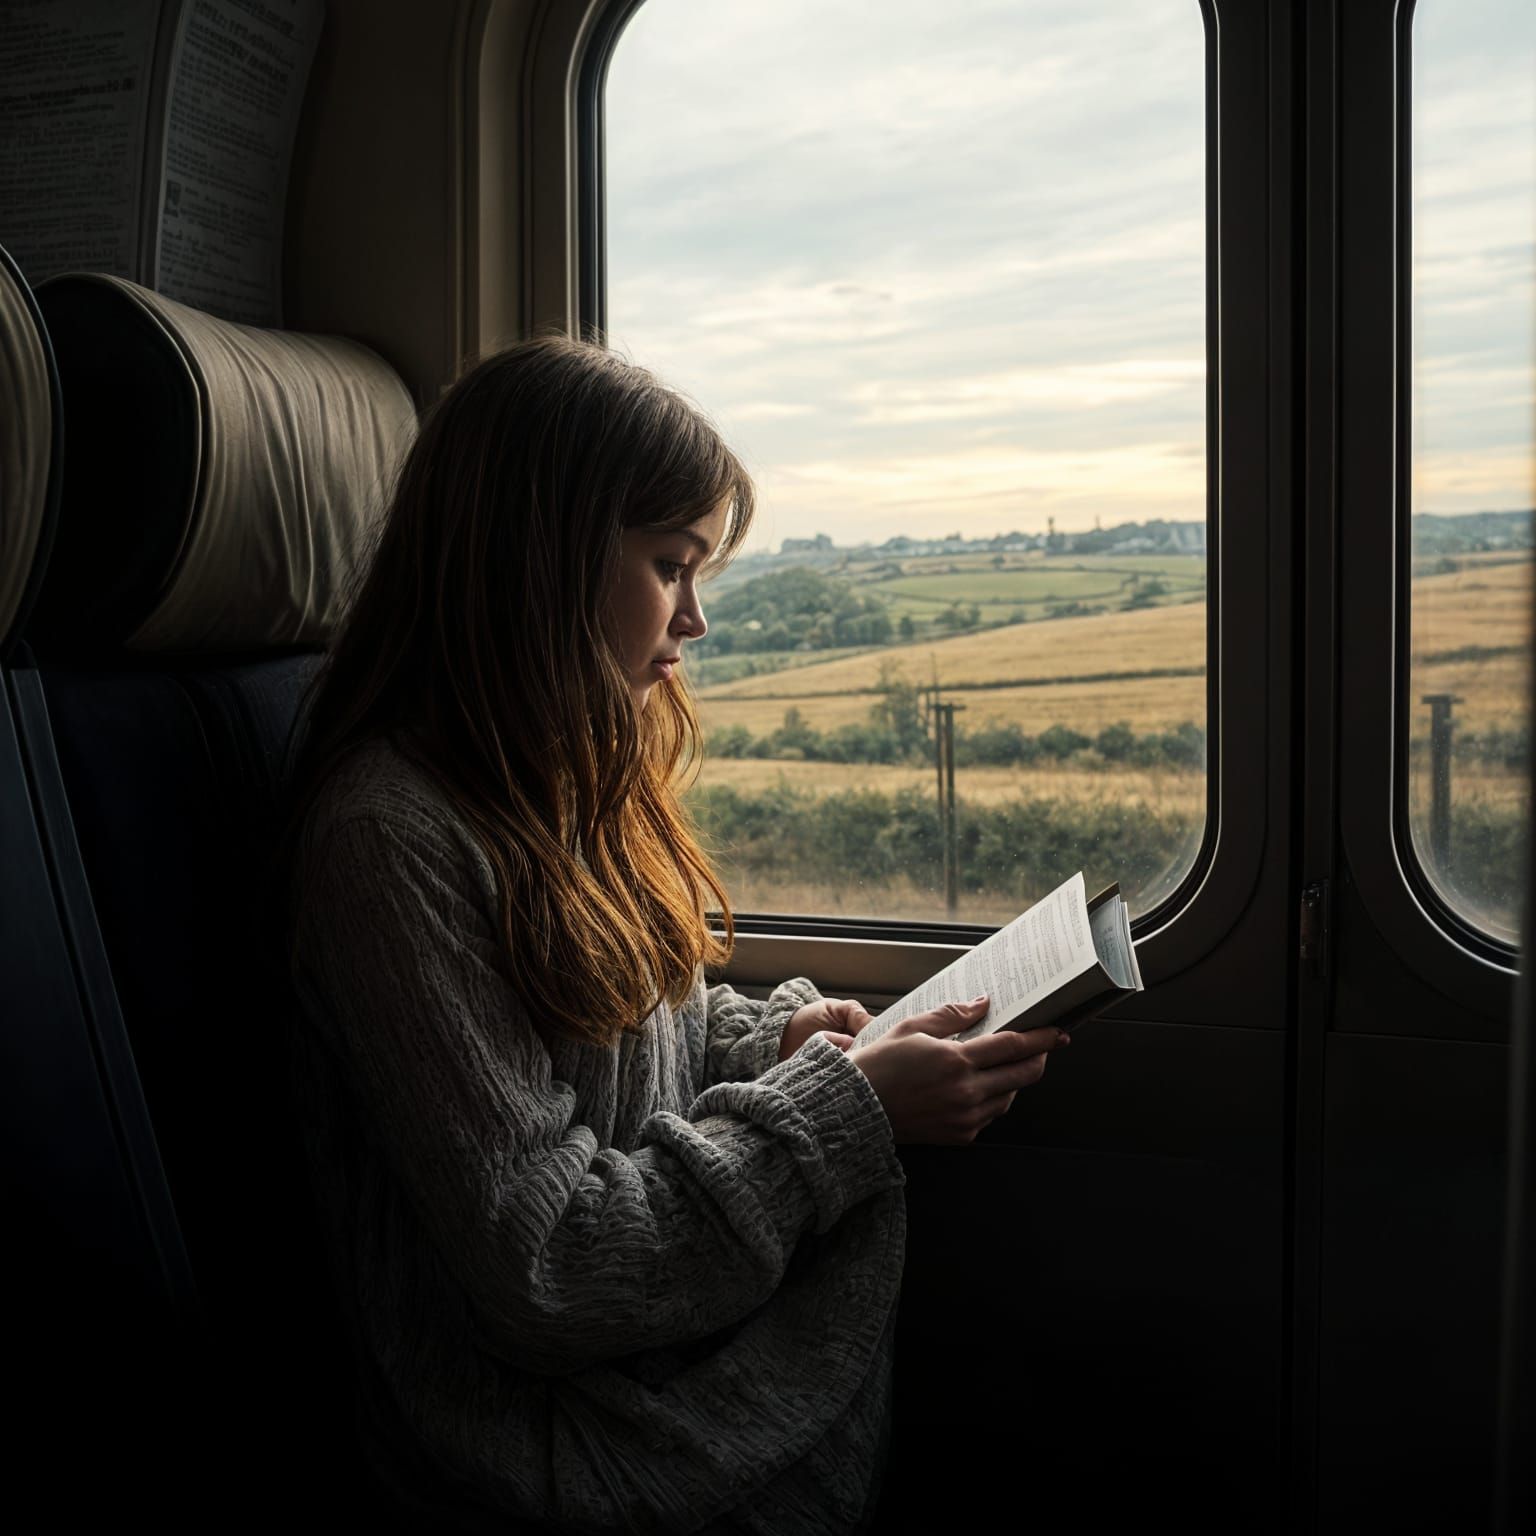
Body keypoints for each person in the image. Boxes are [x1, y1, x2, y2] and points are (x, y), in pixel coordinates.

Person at [281, 334, 1067, 1535]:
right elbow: (549, 1263)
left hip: (626, 1356)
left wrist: (781, 1040)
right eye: (669, 565)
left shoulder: (557, 781)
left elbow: (649, 1028)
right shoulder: (389, 843)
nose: (694, 618)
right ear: (537, 566)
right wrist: (847, 1110)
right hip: (534, 1429)